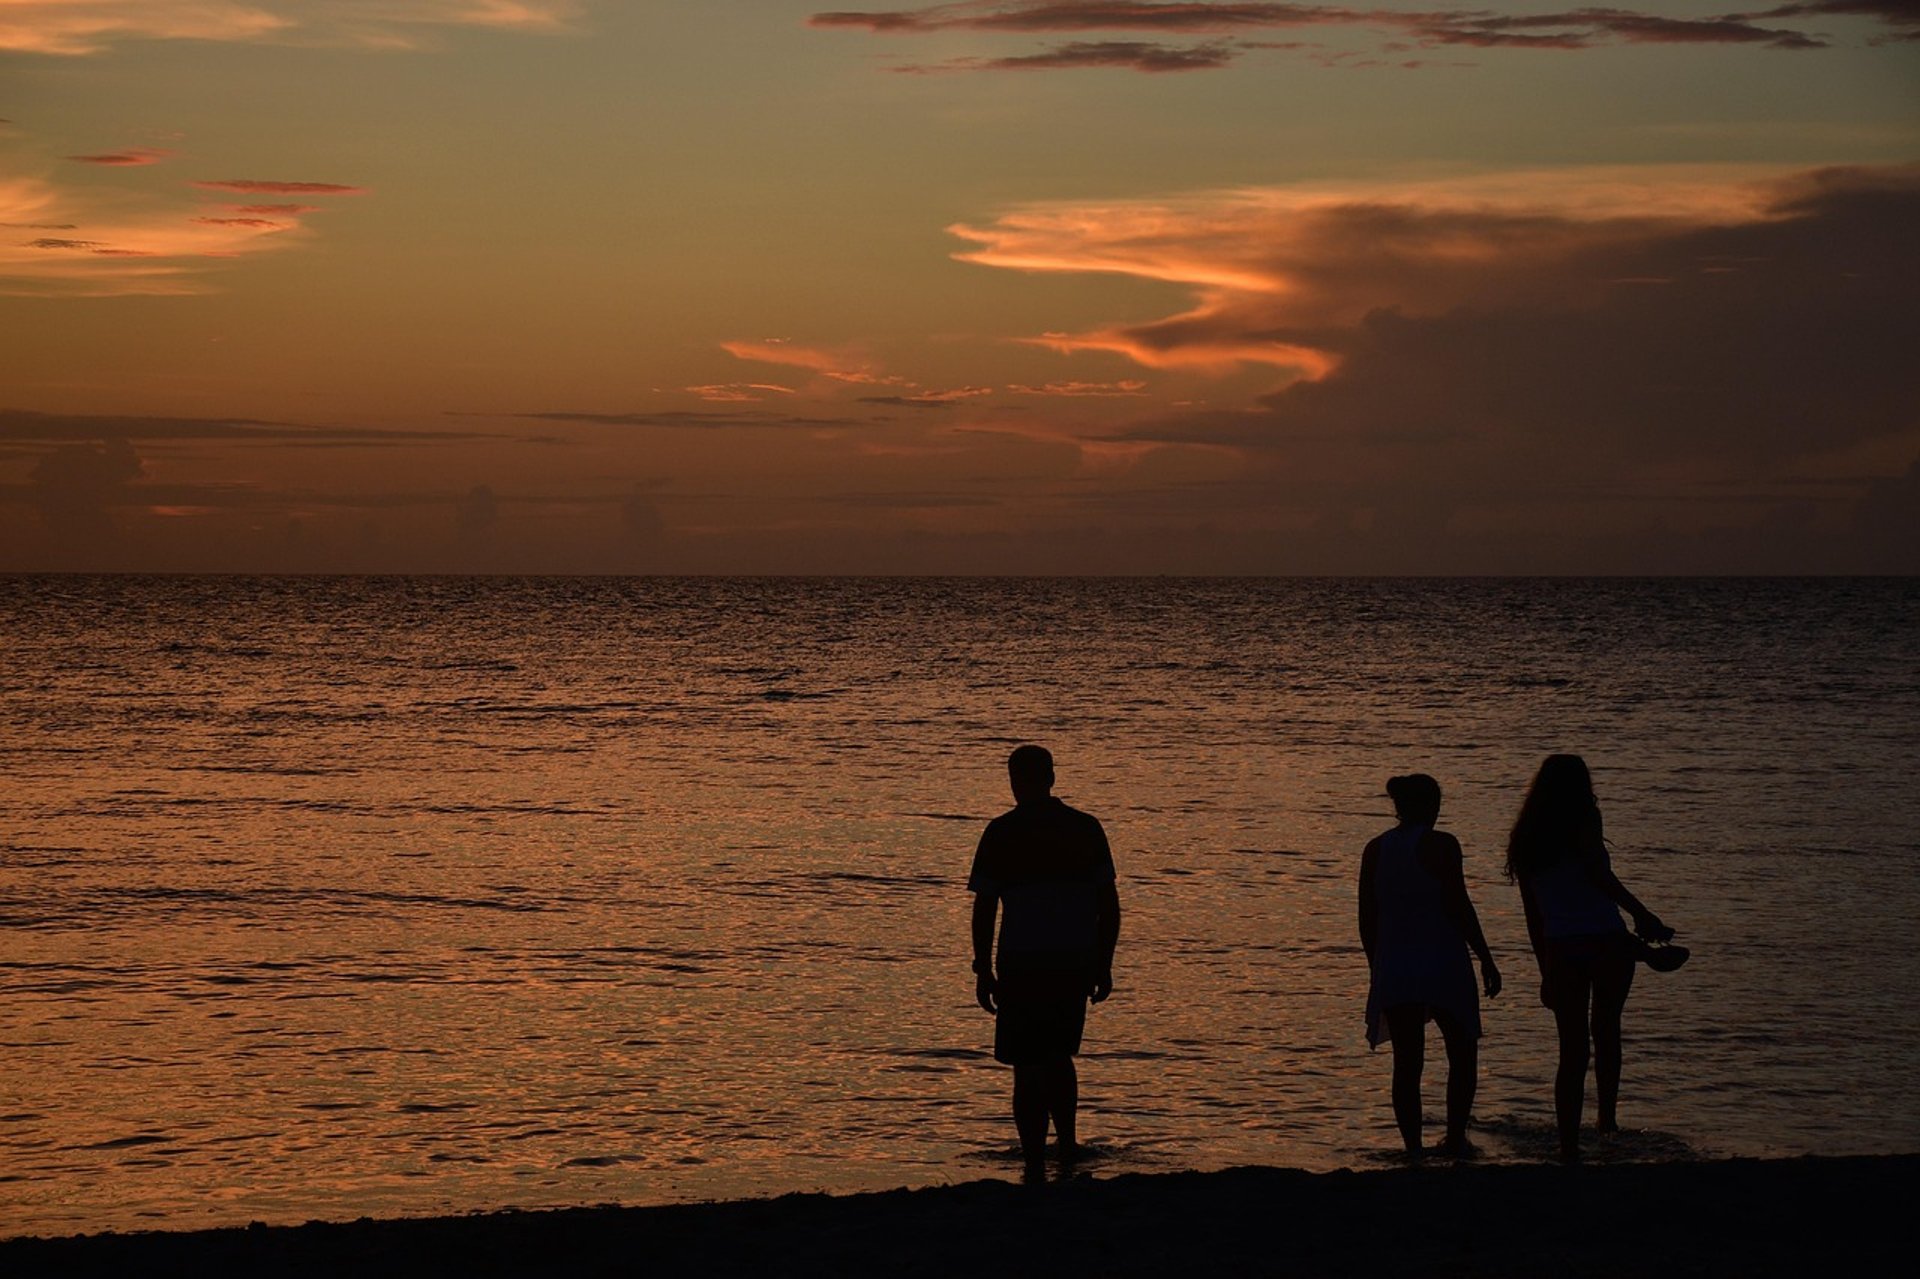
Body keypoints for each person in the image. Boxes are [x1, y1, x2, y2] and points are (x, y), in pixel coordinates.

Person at [1507, 754, 1687, 1162]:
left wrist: (1544, 968)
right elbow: (1599, 877)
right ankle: (1607, 1124)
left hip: (1562, 947)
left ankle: (1568, 1144)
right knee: (1606, 1033)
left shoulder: (1527, 837)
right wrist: (1642, 914)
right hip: (1605, 939)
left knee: (1571, 1049)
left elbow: (1532, 913)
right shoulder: (1586, 818)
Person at [968, 745, 1121, 1177]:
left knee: (1026, 1064)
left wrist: (983, 968)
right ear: (1051, 778)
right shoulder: (1085, 829)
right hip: (1071, 960)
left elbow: (985, 907)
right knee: (1058, 1056)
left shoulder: (1002, 832)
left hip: (1023, 961)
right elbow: (1108, 905)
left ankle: (1035, 1158)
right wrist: (1103, 962)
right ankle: (1066, 1146)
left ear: (1016, 781)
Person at [1359, 773, 1501, 1158]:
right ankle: (1455, 1138)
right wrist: (1485, 957)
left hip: (1398, 964)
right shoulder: (1442, 845)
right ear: (1432, 807)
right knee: (1462, 1051)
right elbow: (1459, 905)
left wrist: (1378, 967)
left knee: (1407, 1062)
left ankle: (1413, 1150)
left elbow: (1366, 918)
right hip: (1443, 960)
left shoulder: (1375, 849)